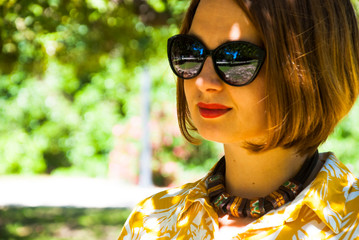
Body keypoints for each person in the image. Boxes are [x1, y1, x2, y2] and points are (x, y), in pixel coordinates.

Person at [118, 0, 359, 239]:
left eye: (236, 59)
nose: (203, 81)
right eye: (190, 51)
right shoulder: (151, 221)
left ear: (310, 67)